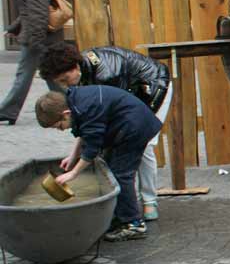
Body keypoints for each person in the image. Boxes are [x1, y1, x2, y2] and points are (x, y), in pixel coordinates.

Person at [39, 42, 171, 221]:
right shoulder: (79, 75)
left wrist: (78, 168)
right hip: (127, 98)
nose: (65, 86)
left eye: (64, 79)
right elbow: (89, 123)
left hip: (151, 86)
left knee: (143, 144)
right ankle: (125, 199)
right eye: (59, 83)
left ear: (75, 67)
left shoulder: (107, 73)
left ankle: (148, 200)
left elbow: (123, 112)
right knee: (117, 152)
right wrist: (75, 155)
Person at [36, 86, 162, 242]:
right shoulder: (75, 103)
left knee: (121, 175)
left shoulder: (86, 107)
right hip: (124, 126)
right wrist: (73, 156)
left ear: (65, 114)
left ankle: (134, 223)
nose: (60, 130)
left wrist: (74, 173)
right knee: (110, 170)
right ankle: (119, 215)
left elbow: (92, 148)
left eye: (59, 126)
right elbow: (85, 134)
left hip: (134, 128)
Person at [1, 0, 62, 125]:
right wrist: (14, 28)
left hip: (37, 38)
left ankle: (8, 111)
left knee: (25, 76)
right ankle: (72, 105)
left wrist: (36, 42)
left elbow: (37, 13)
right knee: (52, 77)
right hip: (41, 36)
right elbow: (31, 10)